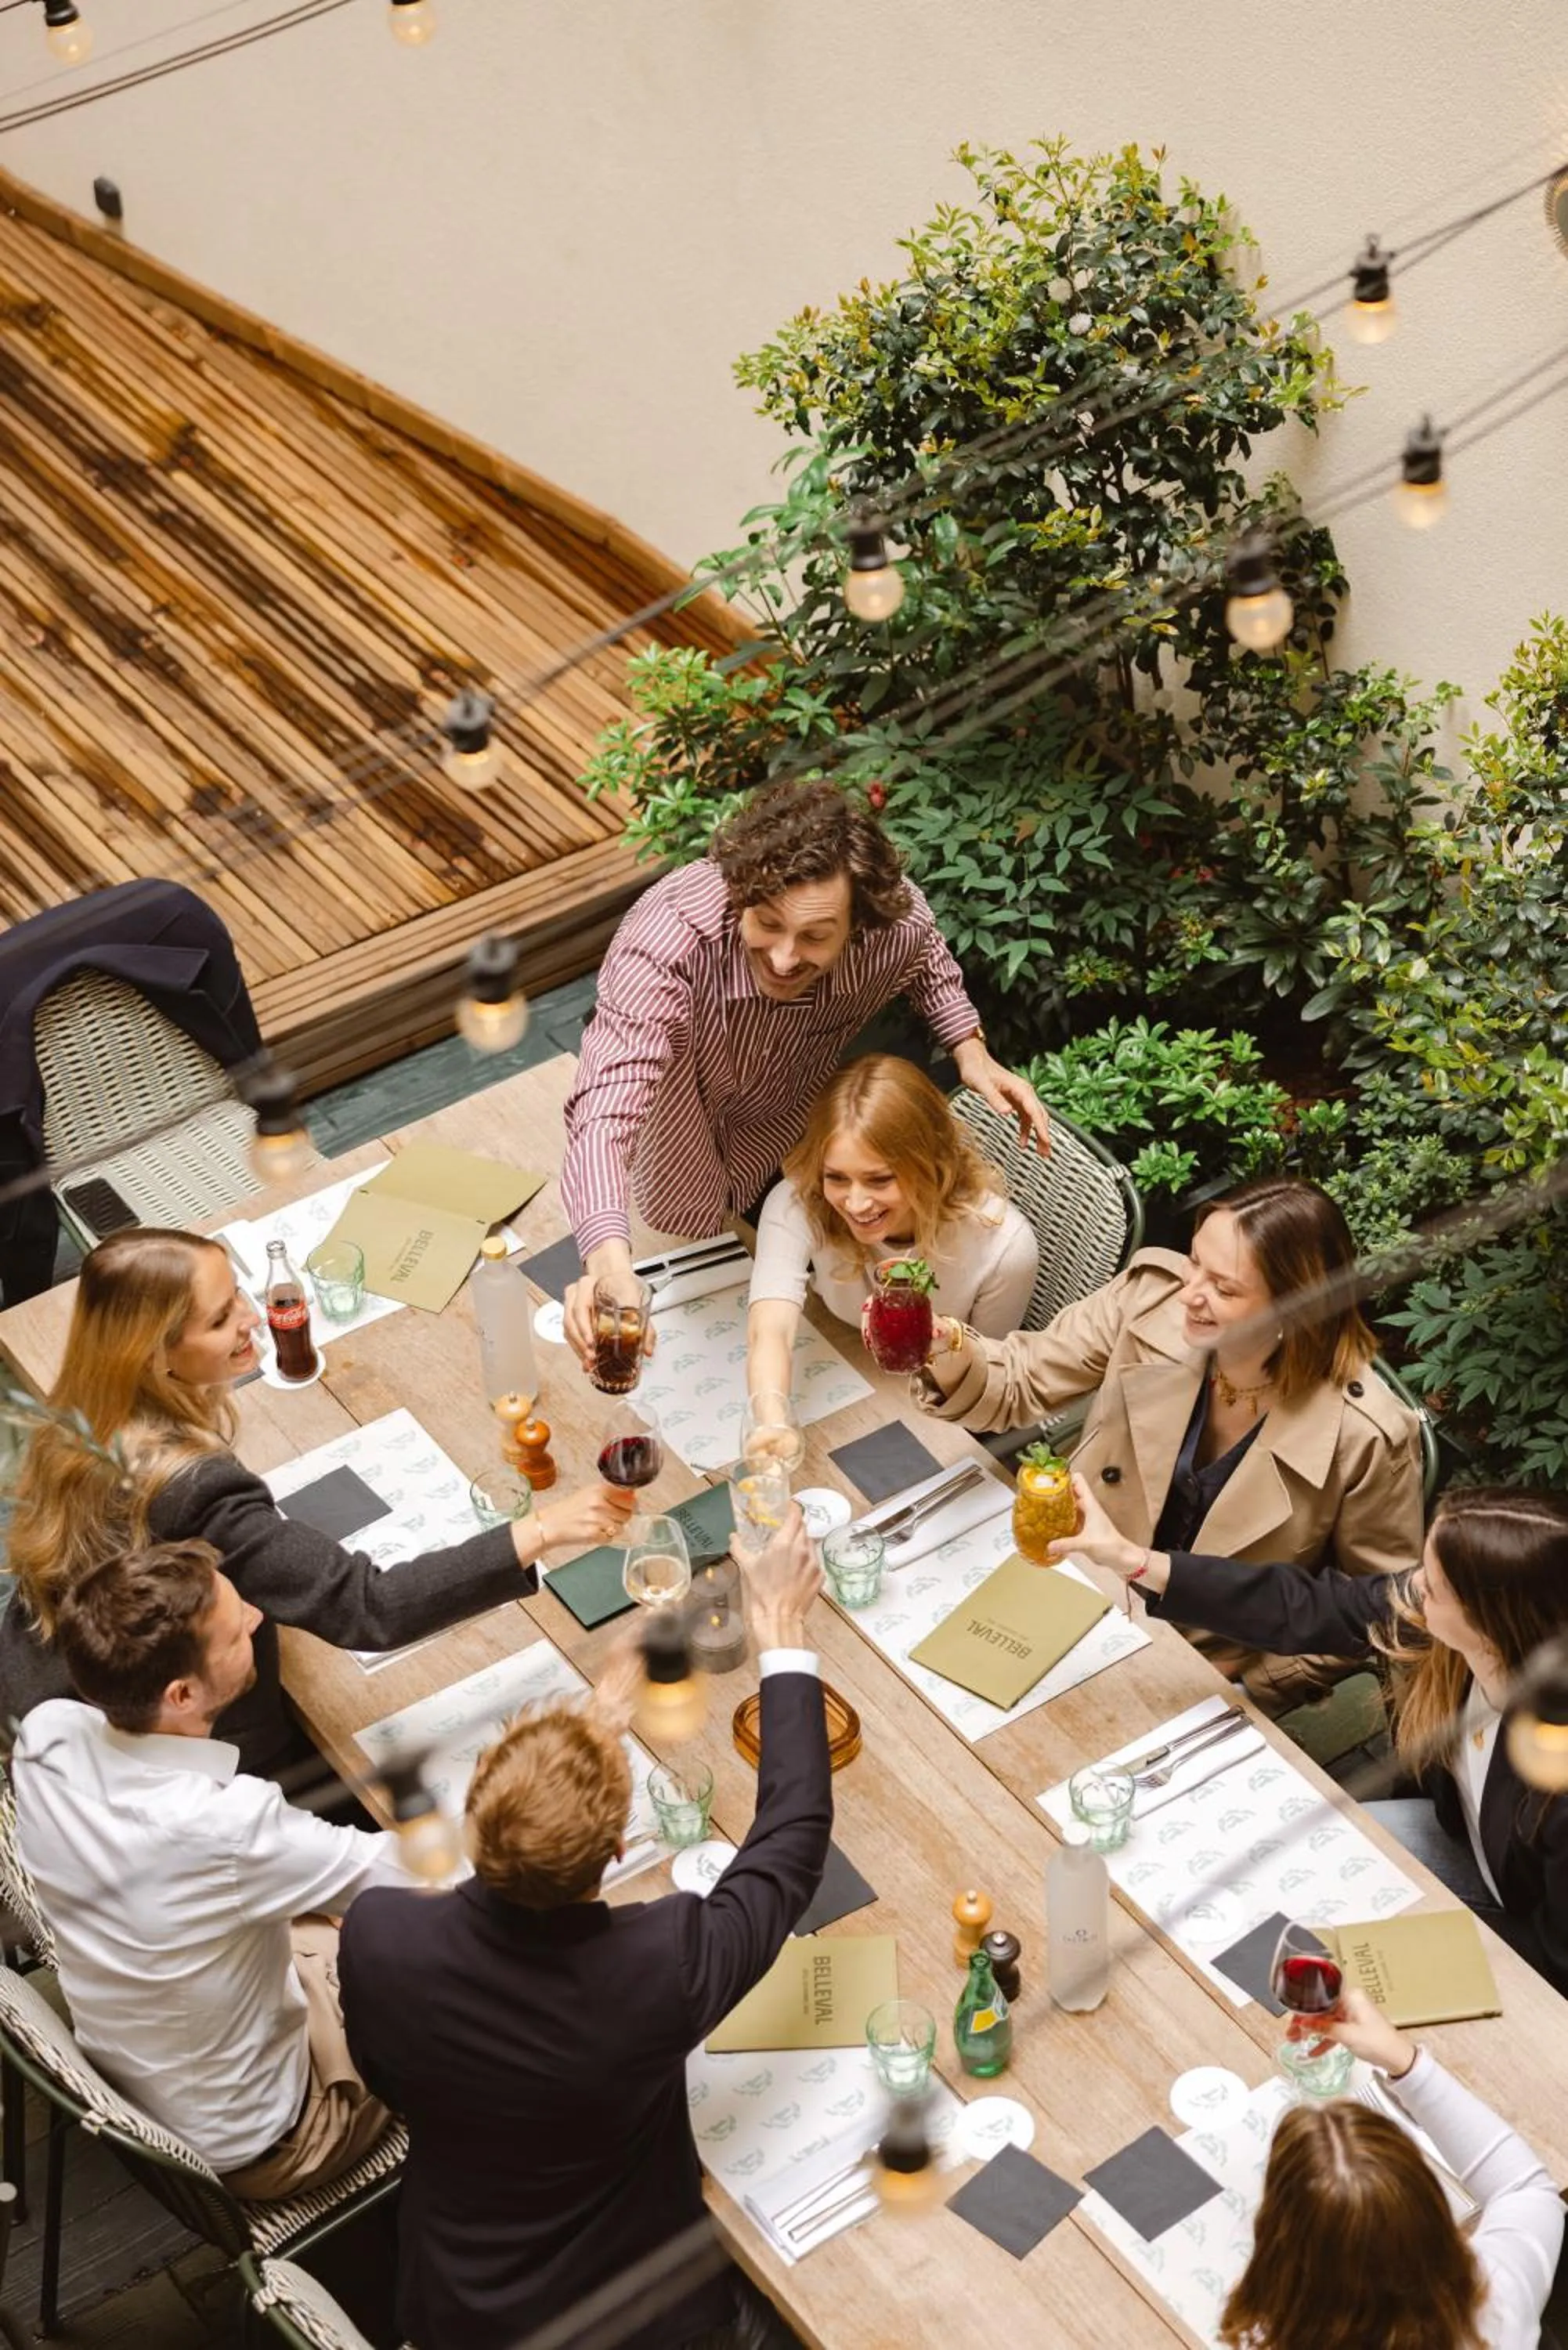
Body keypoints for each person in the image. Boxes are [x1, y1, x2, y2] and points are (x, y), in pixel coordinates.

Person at [339, 1506, 829, 2350]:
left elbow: (390, 2081)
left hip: (453, 2304)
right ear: (613, 1851)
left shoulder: (379, 1934)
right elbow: (788, 1843)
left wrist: (598, 1713)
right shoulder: (658, 1966)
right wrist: (781, 1631)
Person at [0, 1229, 634, 1781]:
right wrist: (545, 1527)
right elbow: (368, 1606)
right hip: (173, 1753)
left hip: (46, 1691)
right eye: (221, 1319)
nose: (254, 1318)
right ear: (154, 1357)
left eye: (238, 1296)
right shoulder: (196, 1489)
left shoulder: (80, 1412)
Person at [559, 777, 1050, 1367]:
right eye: (767, 925)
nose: (786, 957)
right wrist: (610, 1265)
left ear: (859, 923)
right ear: (738, 894)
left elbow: (928, 962)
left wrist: (970, 1049)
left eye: (816, 936)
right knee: (680, 1228)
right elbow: (605, 1110)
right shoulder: (667, 940)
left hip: (790, 1120)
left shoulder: (894, 928)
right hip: (684, 1102)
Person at [912, 1175, 1423, 1710]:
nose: (1190, 1293)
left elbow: (1383, 1608)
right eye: (1194, 1260)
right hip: (1072, 1585)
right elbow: (1019, 1382)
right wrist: (948, 1350)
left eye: (1224, 1288)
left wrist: (1257, 1680)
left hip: (1195, 1669)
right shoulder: (1150, 1298)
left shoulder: (1365, 1436)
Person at [1053, 1480, 1568, 1990]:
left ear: (1492, 1620)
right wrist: (1132, 1559)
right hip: (1456, 1836)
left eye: (1433, 1586)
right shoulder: (1452, 1635)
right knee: (1274, 1877)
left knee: (1310, 1966)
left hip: (1523, 1928)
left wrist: (1408, 1933)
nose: (1413, 1588)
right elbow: (1311, 1607)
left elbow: (1553, 1959)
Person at [12, 1541, 410, 2193]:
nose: (256, 1616)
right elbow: (428, 1884)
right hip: (279, 2135)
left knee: (328, 1907)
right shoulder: (228, 1828)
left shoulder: (47, 1734)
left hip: (152, 2068)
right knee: (459, 1960)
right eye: (235, 1629)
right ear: (182, 1693)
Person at [1219, 1987, 1562, 2350]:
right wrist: (1404, 2060)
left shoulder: (1263, 2337)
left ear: (1277, 2242)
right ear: (1429, 2209)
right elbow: (1522, 2187)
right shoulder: (1499, 2303)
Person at [746, 1054, 1038, 1399]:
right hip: (838, 1356)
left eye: (880, 1180)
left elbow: (985, 1387)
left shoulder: (1003, 1247)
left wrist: (944, 1344)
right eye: (837, 1178)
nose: (855, 1204)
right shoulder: (800, 1201)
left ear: (931, 1165)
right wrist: (770, 1419)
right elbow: (771, 1330)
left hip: (932, 1398)